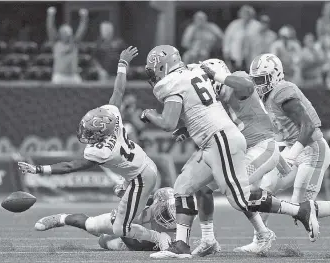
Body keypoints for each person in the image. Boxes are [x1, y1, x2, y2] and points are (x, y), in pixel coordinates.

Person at [141, 45, 320, 259]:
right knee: (194, 187)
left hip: (258, 146)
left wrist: (218, 76)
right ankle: (196, 241)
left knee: (239, 196)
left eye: (213, 82)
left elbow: (247, 87)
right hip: (237, 146)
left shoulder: (235, 81)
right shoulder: (217, 98)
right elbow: (205, 114)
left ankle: (293, 215)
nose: (212, 88)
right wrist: (185, 129)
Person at [17, 46, 170, 250]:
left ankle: (158, 238)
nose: (87, 135)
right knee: (104, 231)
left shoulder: (103, 151)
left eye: (90, 133)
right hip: (138, 170)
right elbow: (118, 91)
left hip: (141, 178)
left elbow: (71, 167)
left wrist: (39, 169)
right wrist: (122, 65)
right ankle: (64, 218)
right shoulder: (113, 117)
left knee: (120, 229)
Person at [213, 53, 330, 251]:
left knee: (301, 206)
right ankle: (261, 239)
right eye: (255, 79)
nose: (258, 84)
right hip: (289, 147)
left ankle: (303, 212)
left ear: (275, 75)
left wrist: (292, 156)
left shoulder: (283, 90)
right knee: (263, 191)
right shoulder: (264, 96)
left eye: (262, 79)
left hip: (311, 148)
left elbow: (308, 127)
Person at [33, 187, 176, 251]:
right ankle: (61, 218)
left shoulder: (173, 234)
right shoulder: (154, 199)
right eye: (165, 211)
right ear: (159, 202)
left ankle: (109, 231)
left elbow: (138, 245)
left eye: (170, 215)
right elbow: (135, 196)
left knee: (103, 240)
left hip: (135, 241)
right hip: (128, 222)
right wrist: (124, 193)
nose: (166, 217)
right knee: (91, 225)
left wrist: (120, 230)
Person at [46, 6, 88, 84]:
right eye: (65, 32)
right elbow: (50, 28)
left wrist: (84, 17)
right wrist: (50, 15)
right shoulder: (56, 44)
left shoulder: (74, 43)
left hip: (73, 76)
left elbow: (82, 29)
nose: (67, 34)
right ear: (60, 33)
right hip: (59, 77)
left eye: (69, 32)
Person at [223, 5, 261, 71]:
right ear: (240, 14)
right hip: (235, 56)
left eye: (248, 13)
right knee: (235, 73)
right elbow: (227, 39)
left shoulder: (257, 25)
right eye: (243, 13)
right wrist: (226, 51)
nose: (246, 15)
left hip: (252, 56)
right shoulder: (234, 24)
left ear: (252, 14)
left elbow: (260, 41)